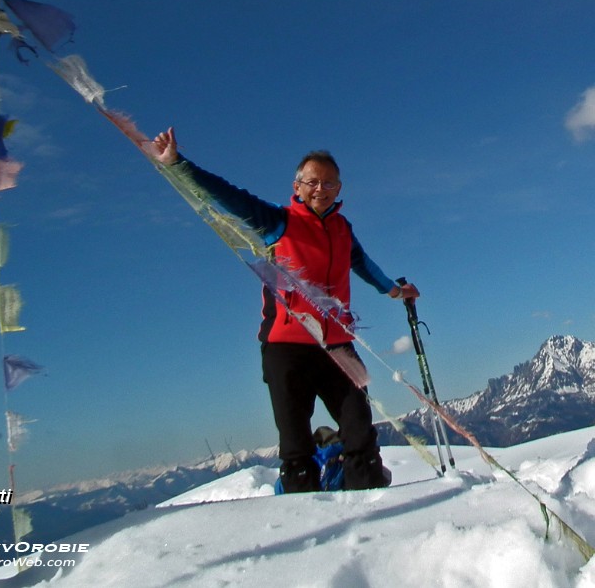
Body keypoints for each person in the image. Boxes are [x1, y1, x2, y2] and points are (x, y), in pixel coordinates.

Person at [149, 127, 418, 493]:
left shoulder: (342, 228)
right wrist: (178, 164)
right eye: (312, 182)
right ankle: (301, 522)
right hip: (286, 345)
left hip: (337, 345)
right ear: (297, 187)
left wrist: (394, 290)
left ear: (339, 189)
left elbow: (362, 262)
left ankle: (373, 505)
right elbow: (228, 195)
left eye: (329, 183)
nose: (320, 189)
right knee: (295, 442)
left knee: (359, 430)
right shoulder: (278, 222)